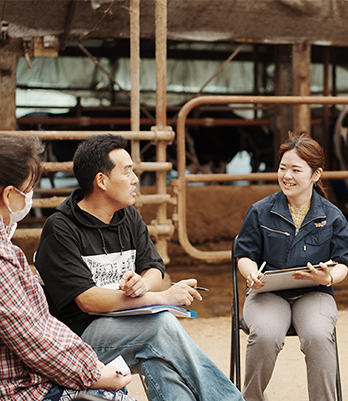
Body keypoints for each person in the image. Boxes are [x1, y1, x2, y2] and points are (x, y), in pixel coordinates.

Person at [34, 134, 243, 401]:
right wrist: (161, 297)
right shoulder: (61, 228)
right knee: (160, 326)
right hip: (80, 339)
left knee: (160, 357)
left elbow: (155, 268)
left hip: (129, 326)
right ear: (101, 181)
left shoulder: (128, 216)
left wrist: (143, 284)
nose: (135, 179)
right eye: (128, 171)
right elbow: (87, 300)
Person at [0, 134, 133, 401]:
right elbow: (32, 336)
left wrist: (92, 366)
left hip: (30, 373)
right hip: (13, 388)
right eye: (28, 188)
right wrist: (93, 373)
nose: (30, 197)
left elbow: (40, 325)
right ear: (9, 195)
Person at [234, 132, 348, 401]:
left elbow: (344, 263)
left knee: (318, 335)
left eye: (296, 170)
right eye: (282, 168)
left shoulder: (332, 215)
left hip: (315, 294)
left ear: (316, 174)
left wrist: (329, 278)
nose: (287, 176)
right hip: (267, 293)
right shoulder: (260, 210)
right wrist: (251, 272)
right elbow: (244, 254)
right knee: (265, 335)